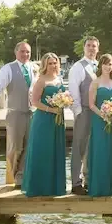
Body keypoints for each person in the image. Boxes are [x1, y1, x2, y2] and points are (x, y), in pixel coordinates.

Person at [21, 53, 69, 198]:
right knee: (43, 150)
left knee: (56, 150)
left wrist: (65, 102)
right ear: (44, 65)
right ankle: (39, 187)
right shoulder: (41, 80)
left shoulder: (59, 79)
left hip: (58, 120)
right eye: (50, 63)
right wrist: (51, 109)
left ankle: (55, 187)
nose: (53, 66)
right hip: (43, 120)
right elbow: (34, 102)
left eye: (55, 63)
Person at [0, 41, 34, 187]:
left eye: (28, 52)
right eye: (22, 51)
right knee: (15, 147)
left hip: (32, 113)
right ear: (16, 52)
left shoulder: (33, 68)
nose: (25, 54)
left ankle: (22, 177)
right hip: (15, 113)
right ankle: (15, 175)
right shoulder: (8, 68)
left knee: (29, 146)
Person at [67, 37, 100, 193]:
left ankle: (88, 179)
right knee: (79, 146)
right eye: (89, 46)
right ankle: (75, 183)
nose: (91, 48)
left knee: (92, 146)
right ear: (84, 48)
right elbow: (73, 90)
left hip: (98, 113)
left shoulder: (100, 66)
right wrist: (78, 111)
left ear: (98, 49)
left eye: (94, 46)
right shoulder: (78, 67)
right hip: (84, 111)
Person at [87, 54, 112, 198]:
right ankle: (101, 187)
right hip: (100, 121)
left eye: (110, 64)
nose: (108, 67)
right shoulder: (95, 82)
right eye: (105, 64)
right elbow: (91, 104)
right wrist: (103, 115)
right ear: (100, 65)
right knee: (101, 150)